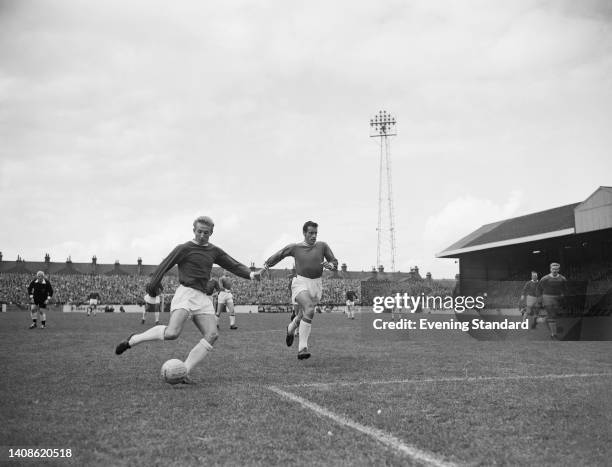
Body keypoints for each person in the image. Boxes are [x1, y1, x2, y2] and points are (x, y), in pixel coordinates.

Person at [115, 216, 260, 383]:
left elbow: (232, 264)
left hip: (203, 298)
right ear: (194, 231)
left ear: (211, 233)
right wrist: (154, 283)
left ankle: (184, 371)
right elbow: (165, 265)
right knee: (172, 333)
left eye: (206, 232)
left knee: (212, 334)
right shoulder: (184, 248)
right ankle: (133, 339)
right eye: (199, 231)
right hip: (186, 294)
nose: (202, 235)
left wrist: (251, 274)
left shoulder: (214, 251)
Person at [260, 221, 338, 360]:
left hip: (316, 285)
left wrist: (331, 265)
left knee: (303, 314)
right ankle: (302, 348)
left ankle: (291, 328)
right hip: (300, 282)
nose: (314, 236)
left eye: (315, 233)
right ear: (304, 233)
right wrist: (265, 266)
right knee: (309, 309)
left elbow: (334, 262)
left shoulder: (322, 246)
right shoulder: (295, 247)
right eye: (311, 233)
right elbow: (280, 254)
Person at [537, 262, 567, 340]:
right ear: (550, 269)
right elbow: (539, 289)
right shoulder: (545, 279)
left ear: (559, 269)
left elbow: (564, 288)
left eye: (556, 269)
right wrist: (539, 299)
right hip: (547, 297)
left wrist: (562, 294)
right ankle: (553, 334)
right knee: (552, 315)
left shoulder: (562, 279)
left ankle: (543, 319)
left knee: (554, 314)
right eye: (553, 269)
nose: (554, 270)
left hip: (557, 298)